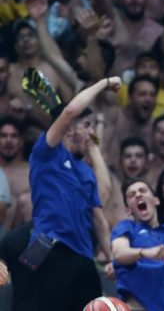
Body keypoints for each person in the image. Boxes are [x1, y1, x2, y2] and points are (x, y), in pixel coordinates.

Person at [23, 76, 119, 311]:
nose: (91, 131)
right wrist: (105, 83)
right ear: (68, 130)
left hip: (84, 257)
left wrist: (111, 258)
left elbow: (99, 216)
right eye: (86, 125)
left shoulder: (85, 171)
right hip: (51, 249)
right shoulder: (46, 153)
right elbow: (70, 112)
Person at [111, 177, 164, 311]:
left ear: (156, 200)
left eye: (143, 190)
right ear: (128, 210)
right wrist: (144, 252)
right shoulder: (126, 227)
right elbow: (119, 253)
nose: (138, 195)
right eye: (131, 195)